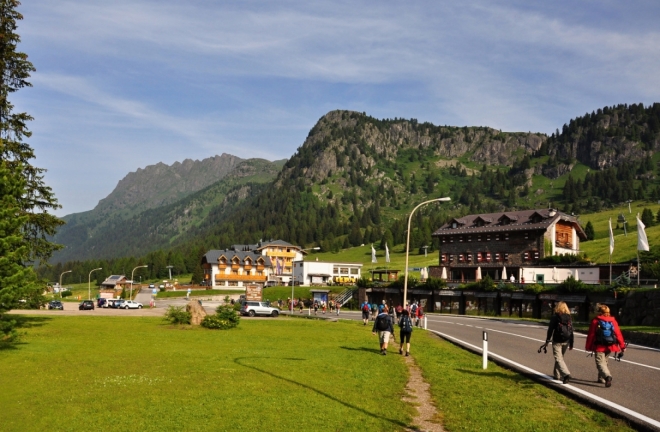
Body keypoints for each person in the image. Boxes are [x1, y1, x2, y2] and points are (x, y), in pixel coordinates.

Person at [585, 304, 625, 388]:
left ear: (600, 312)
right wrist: (622, 346)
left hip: (599, 345)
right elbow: (618, 334)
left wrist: (588, 346)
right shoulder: (613, 321)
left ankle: (607, 376)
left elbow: (591, 335)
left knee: (600, 363)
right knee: (605, 362)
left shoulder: (596, 321)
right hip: (610, 344)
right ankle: (601, 379)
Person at [545, 301, 574, 384]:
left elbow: (550, 330)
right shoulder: (569, 317)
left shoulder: (555, 317)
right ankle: (557, 375)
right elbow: (571, 330)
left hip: (557, 340)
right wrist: (571, 343)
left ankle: (566, 374)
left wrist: (547, 340)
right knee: (560, 358)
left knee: (558, 358)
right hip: (566, 340)